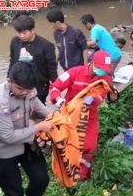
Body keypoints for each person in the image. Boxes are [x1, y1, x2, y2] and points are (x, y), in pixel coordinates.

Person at [0, 61, 52, 196]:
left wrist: (50, 115)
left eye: (29, 89)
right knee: (14, 192)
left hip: (26, 142)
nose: (25, 93)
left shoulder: (28, 90)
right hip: (2, 150)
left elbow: (34, 101)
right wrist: (39, 127)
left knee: (41, 179)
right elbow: (8, 137)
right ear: (9, 81)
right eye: (20, 89)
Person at [49, 50, 112, 180]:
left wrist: (92, 100)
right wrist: (58, 99)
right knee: (69, 143)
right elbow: (55, 87)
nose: (102, 72)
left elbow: (101, 97)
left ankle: (83, 174)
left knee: (89, 146)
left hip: (89, 116)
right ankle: (67, 169)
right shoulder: (75, 72)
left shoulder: (106, 78)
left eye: (105, 69)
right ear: (93, 63)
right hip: (70, 115)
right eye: (100, 68)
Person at [8, 15, 58, 105]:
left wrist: (56, 86)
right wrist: (9, 79)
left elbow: (52, 69)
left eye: (24, 33)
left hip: (39, 86)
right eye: (18, 33)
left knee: (37, 110)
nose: (21, 36)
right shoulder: (15, 42)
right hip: (18, 85)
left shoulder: (46, 46)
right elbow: (12, 61)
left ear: (32, 30)